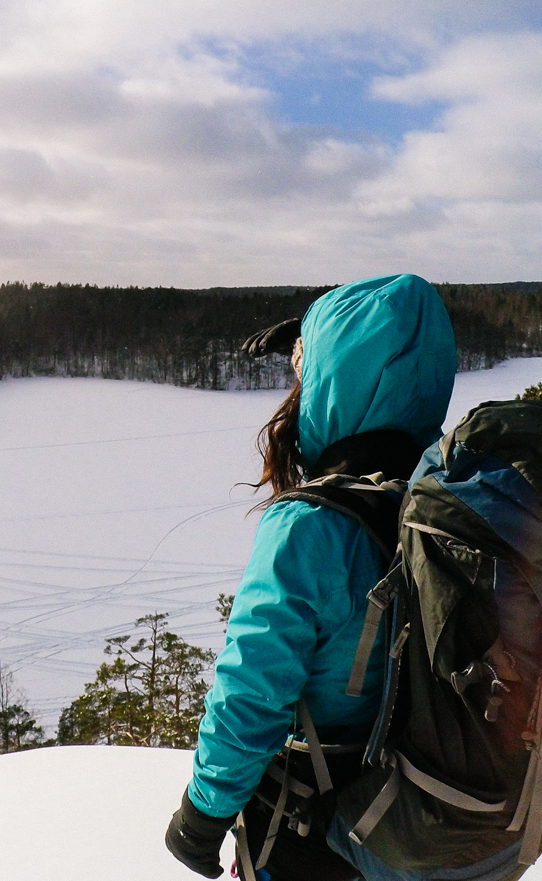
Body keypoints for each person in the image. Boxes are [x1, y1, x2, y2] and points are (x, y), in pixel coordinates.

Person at [165, 274, 457, 881]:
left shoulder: (311, 527)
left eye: (308, 375)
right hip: (434, 819)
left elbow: (253, 686)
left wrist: (203, 813)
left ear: (331, 387)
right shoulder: (449, 498)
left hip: (320, 830)